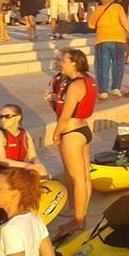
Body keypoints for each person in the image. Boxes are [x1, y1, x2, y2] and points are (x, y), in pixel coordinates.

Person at [52, 48, 96, 235]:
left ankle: (79, 220)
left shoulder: (74, 86)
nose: (61, 63)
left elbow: (65, 116)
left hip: (72, 133)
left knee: (77, 179)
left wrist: (56, 133)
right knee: (84, 177)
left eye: (64, 60)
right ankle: (80, 212)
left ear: (74, 63)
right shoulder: (89, 81)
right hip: (84, 130)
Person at [88, 0, 129, 100]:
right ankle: (116, 88)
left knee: (102, 66)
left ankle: (103, 91)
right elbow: (124, 20)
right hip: (118, 39)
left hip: (102, 40)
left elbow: (91, 25)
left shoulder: (98, 9)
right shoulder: (118, 7)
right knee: (118, 64)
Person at [0, 104, 49, 176]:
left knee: (42, 172)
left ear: (18, 117)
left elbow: (32, 156)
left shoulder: (25, 134)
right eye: (1, 117)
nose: (3, 120)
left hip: (18, 172)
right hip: (2, 174)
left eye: (7, 116)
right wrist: (27, 166)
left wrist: (37, 163)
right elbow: (1, 160)